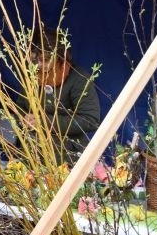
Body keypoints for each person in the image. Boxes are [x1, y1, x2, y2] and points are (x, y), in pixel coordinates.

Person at [19, 27, 100, 163]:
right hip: (33, 153)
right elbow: (20, 106)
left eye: (45, 59)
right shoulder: (31, 76)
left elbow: (90, 120)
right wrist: (23, 118)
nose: (39, 65)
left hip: (67, 155)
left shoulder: (79, 79)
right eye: (35, 59)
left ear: (59, 56)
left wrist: (45, 121)